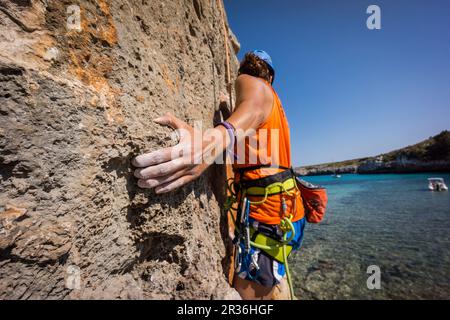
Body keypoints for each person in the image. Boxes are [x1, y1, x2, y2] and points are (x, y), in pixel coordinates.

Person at [132, 50, 306, 300]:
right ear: (271, 75)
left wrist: (208, 144)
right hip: (286, 210)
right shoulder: (277, 107)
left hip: (267, 215)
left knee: (248, 297)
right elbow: (246, 137)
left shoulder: (252, 83)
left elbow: (251, 109)